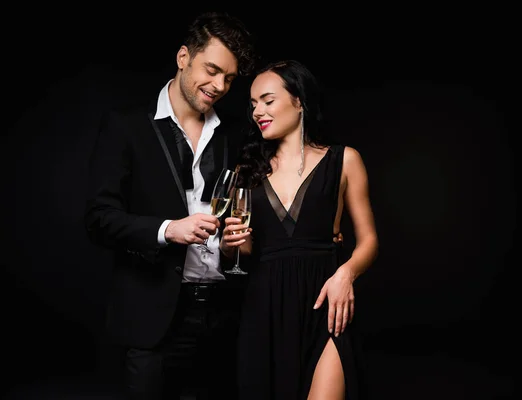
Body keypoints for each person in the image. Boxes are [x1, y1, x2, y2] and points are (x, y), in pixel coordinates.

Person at [84, 11, 256, 400]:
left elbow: (239, 215)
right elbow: (98, 220)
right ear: (183, 57)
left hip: (223, 316)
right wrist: (167, 229)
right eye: (212, 70)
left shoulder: (234, 135)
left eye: (229, 78)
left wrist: (232, 246)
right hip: (152, 319)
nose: (219, 86)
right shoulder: (125, 126)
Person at [220, 60, 379, 399]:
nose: (257, 112)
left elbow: (369, 240)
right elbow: (243, 252)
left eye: (267, 100)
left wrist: (345, 275)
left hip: (327, 305)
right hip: (264, 309)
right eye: (252, 105)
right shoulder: (245, 171)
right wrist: (231, 244)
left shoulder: (345, 160)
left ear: (299, 101)